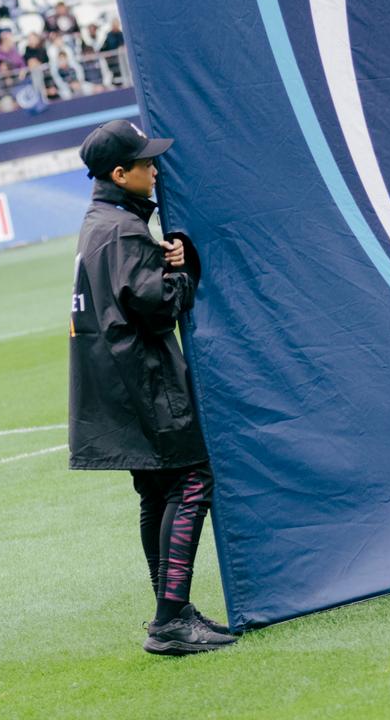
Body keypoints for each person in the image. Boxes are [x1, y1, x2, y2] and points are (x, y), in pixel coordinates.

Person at [68, 119, 236, 656]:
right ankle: (170, 618)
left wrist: (161, 261)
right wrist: (185, 271)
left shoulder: (100, 222)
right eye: (146, 163)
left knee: (157, 491)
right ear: (120, 174)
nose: (156, 169)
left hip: (113, 381)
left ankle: (171, 609)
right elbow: (158, 306)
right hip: (143, 378)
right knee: (192, 480)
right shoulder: (123, 229)